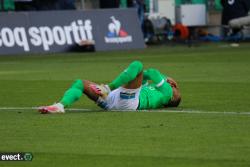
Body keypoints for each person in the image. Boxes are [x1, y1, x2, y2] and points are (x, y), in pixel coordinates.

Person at [38, 61, 181, 113]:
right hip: (112, 101)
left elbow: (152, 72)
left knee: (137, 65)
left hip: (130, 102)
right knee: (81, 83)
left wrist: (166, 78)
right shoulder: (155, 92)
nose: (175, 90)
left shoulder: (167, 94)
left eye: (176, 91)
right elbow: (146, 75)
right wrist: (163, 79)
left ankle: (108, 87)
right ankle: (60, 106)